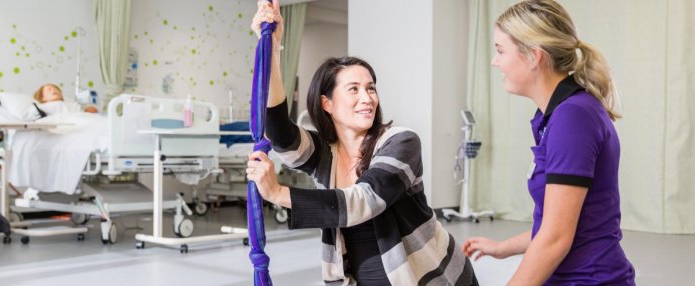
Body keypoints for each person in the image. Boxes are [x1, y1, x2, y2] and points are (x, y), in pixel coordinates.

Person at [244, 1, 478, 285]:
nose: (367, 98)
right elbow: (280, 133)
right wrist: (273, 47)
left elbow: (365, 201)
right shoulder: (324, 155)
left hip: (434, 279)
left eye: (370, 88)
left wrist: (277, 193)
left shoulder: (401, 142)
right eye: (353, 89)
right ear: (326, 103)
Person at [461, 1, 636, 285]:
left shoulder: (572, 117)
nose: (495, 61)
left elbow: (555, 239)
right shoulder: (554, 115)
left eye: (501, 50)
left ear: (533, 56)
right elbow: (559, 223)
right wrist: (503, 249)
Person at [32, 84, 98, 114]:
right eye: (49, 89)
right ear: (43, 98)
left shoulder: (69, 104)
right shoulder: (43, 108)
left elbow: (79, 113)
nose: (54, 90)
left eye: (56, 89)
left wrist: (86, 111)